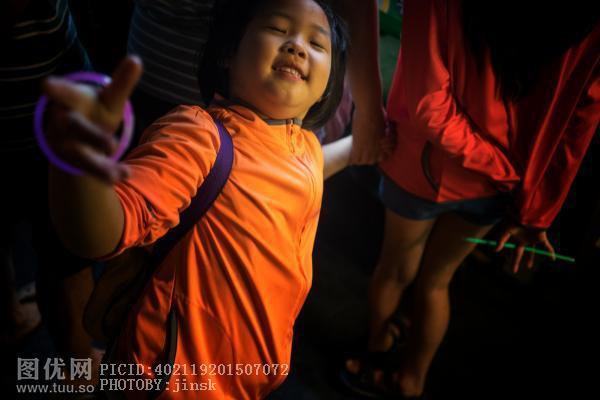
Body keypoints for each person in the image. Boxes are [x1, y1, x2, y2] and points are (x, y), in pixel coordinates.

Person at [43, 0, 354, 398]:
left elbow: (306, 173)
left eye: (317, 43)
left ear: (329, 83)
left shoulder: (304, 146)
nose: (296, 45)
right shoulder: (198, 137)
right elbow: (102, 233)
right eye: (278, 29)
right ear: (229, 52)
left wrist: (356, 148)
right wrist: (77, 165)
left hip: (244, 378)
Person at [343, 0, 600, 397]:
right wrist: (534, 209)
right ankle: (412, 381)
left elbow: (428, 104)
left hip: (421, 165)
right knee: (437, 282)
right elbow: (579, 125)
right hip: (499, 184)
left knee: (393, 270)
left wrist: (501, 170)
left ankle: (377, 350)